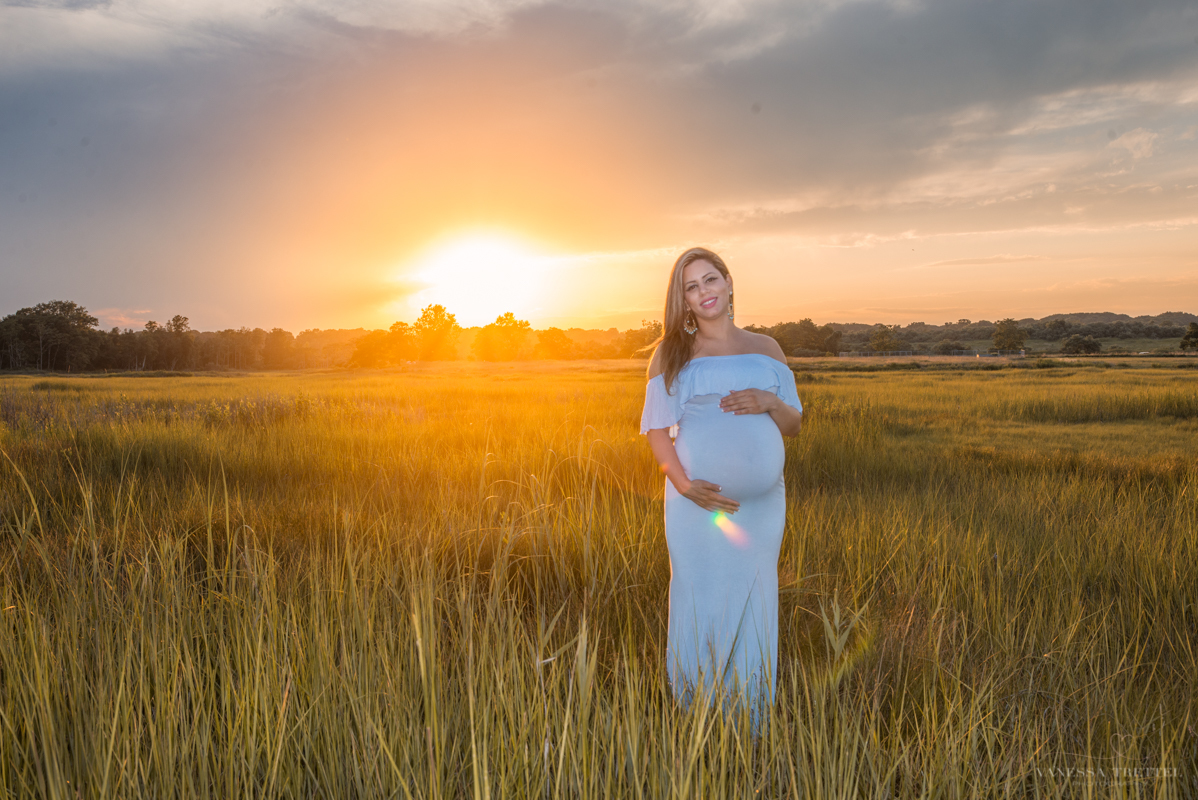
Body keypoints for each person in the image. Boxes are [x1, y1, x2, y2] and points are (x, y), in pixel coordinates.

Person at [640, 247, 804, 724]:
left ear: (729, 283)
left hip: (762, 507)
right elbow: (656, 430)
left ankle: (750, 716)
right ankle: (695, 714)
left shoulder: (767, 348)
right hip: (696, 504)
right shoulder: (672, 353)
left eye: (710, 280)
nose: (703, 292)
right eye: (691, 287)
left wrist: (769, 400)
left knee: (755, 595)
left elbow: (793, 424)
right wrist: (684, 484)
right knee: (698, 593)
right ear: (684, 301)